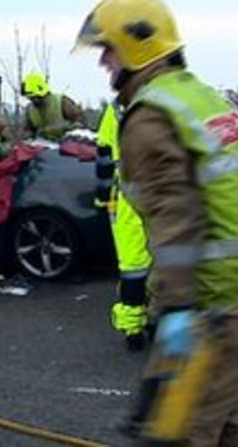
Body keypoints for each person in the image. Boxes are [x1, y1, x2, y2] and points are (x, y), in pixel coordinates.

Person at [75, 0, 238, 445]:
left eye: (108, 49)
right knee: (225, 419)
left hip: (219, 298)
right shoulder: (206, 99)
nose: (104, 62)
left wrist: (177, 307)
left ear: (137, 45)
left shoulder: (150, 118)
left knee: (185, 429)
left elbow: (176, 214)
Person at [95, 102, 153, 352]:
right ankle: (163, 321)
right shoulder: (173, 97)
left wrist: (102, 196)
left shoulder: (117, 108)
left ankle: (133, 328)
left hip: (131, 192)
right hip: (169, 189)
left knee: (133, 265)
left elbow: (105, 155)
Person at [21, 71, 86, 140]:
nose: (33, 100)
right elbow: (27, 132)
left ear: (42, 93)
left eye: (34, 97)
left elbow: (81, 123)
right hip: (43, 144)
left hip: (67, 143)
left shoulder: (61, 102)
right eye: (30, 98)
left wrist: (71, 131)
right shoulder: (30, 111)